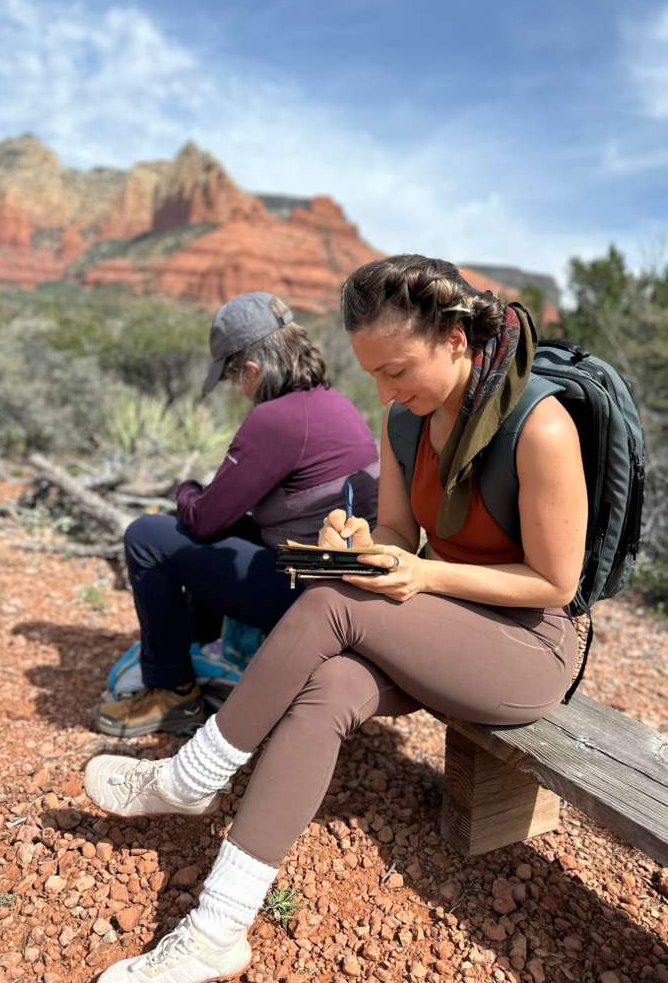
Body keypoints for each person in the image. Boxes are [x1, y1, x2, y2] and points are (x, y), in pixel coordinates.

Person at [85, 256, 588, 983]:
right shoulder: (405, 419)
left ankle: (191, 777)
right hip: (443, 624)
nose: (383, 391)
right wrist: (357, 547)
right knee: (328, 691)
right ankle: (218, 931)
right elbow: (393, 534)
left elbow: (554, 581)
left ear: (454, 338)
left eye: (397, 369)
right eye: (373, 374)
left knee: (331, 604)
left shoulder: (540, 428)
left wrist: (424, 573)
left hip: (527, 647)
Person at [93, 290, 380, 738]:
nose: (238, 390)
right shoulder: (330, 404)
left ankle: (172, 692)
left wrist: (184, 489)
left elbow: (204, 518)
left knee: (148, 536)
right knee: (223, 534)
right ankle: (195, 647)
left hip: (307, 592)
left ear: (251, 370)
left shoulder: (278, 418)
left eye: (233, 379)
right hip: (337, 583)